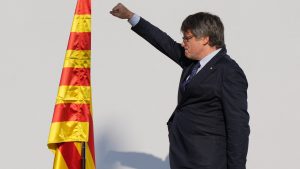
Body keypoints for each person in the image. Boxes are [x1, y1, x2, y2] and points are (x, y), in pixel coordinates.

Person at [110, 3, 250, 169]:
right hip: (183, 157)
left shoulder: (228, 71)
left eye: (187, 38)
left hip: (207, 162)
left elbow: (238, 126)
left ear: (205, 39)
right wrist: (130, 16)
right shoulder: (192, 63)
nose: (183, 43)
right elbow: (164, 42)